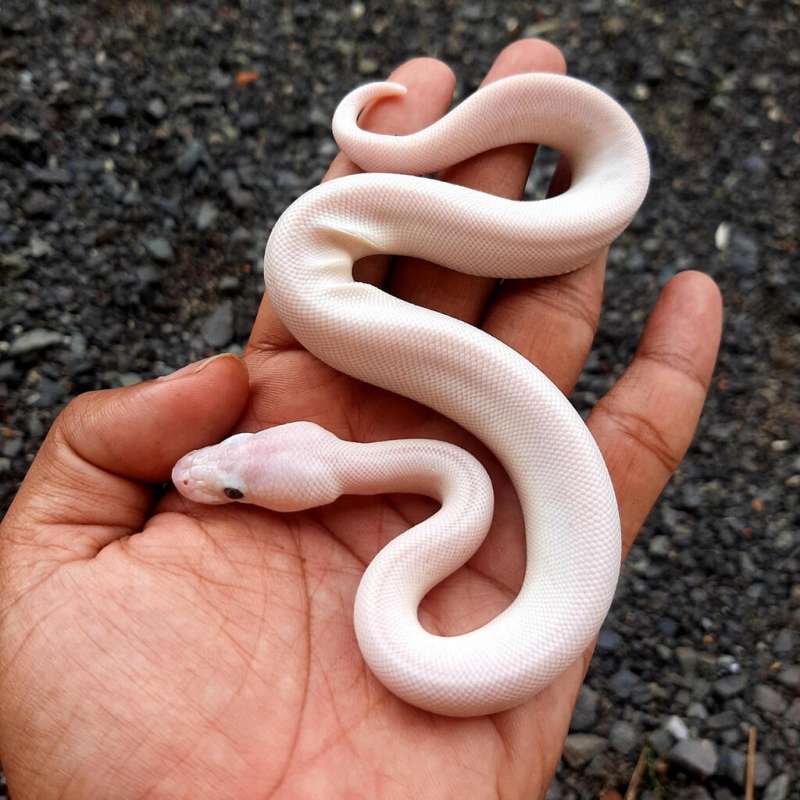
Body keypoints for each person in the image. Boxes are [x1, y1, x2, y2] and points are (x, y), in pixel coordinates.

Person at [0, 39, 722, 799]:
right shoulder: (449, 486)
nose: (202, 479)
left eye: (235, 481)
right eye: (238, 480)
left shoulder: (438, 503)